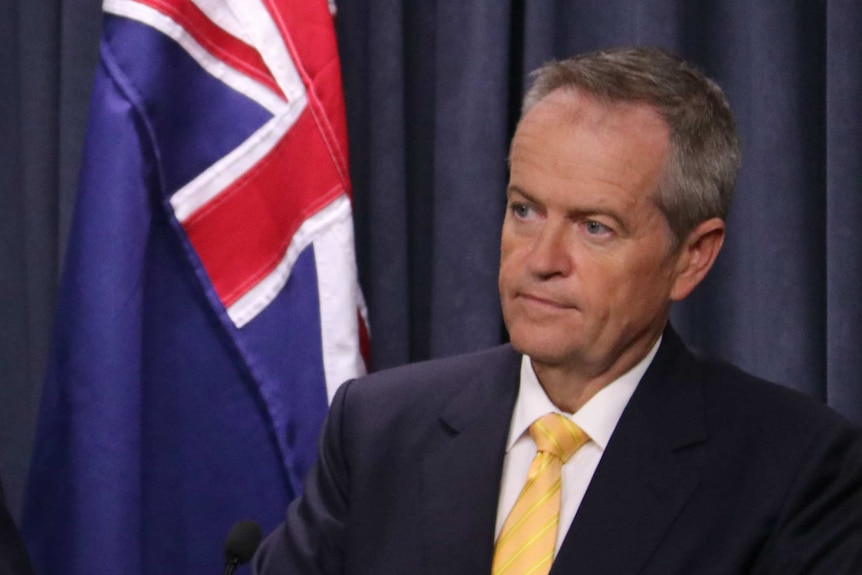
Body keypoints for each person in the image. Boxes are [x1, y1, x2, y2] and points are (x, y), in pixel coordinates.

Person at [253, 47, 862, 574]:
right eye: (525, 210)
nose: (542, 259)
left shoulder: (796, 471)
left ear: (692, 258)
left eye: (594, 227)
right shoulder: (378, 428)